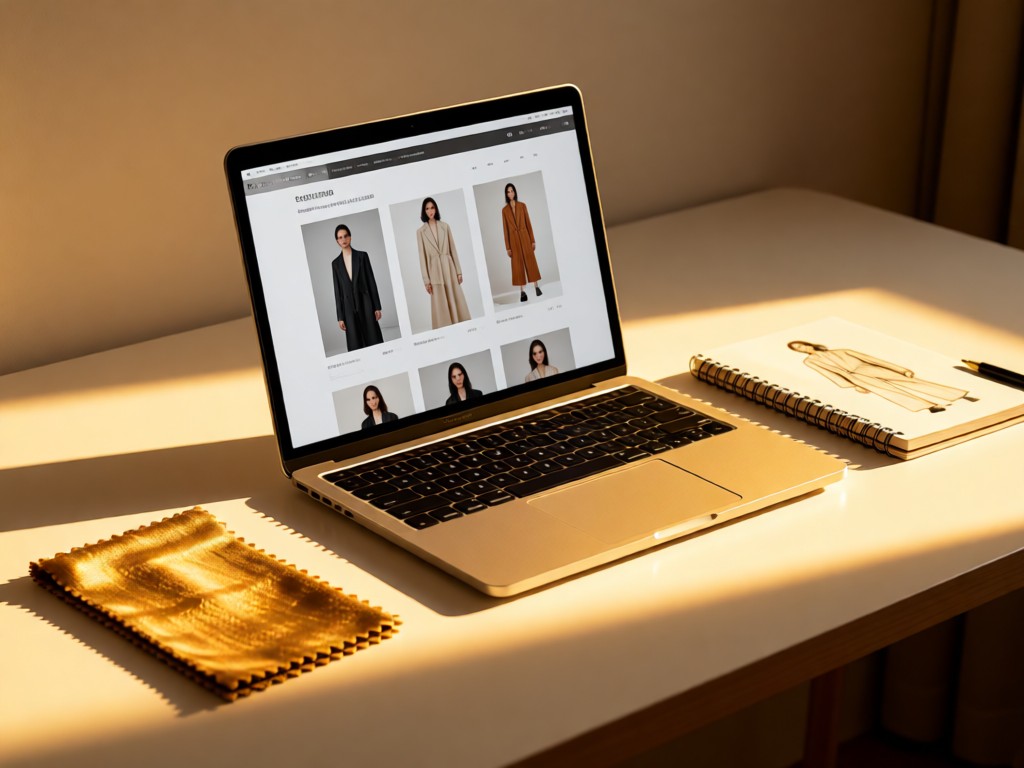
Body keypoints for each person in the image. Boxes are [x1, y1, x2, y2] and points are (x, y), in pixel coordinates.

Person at [787, 340, 977, 413]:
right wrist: (853, 386)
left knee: (911, 382)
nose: (802, 349)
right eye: (798, 349)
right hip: (856, 377)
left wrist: (901, 369)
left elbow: (871, 358)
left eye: (801, 345)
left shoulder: (843, 349)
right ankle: (930, 406)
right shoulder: (810, 362)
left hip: (867, 368)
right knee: (889, 392)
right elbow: (830, 375)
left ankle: (960, 395)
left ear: (808, 344)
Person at [417, 197, 471, 328]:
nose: (430, 211)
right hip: (434, 270)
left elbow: (453, 249)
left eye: (432, 207)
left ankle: (460, 326)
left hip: (449, 268)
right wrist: (426, 281)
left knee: (455, 298)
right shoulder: (420, 232)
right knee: (440, 303)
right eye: (427, 208)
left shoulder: (445, 227)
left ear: (436, 209)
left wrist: (458, 271)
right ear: (424, 211)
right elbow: (422, 257)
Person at [331, 224, 384, 351]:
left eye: (345, 236)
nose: (343, 240)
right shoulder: (335, 264)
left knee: (373, 339)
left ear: (350, 237)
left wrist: (377, 306)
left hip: (365, 303)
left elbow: (371, 281)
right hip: (348, 308)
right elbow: (337, 292)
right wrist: (340, 316)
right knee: (355, 344)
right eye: (340, 237)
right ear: (337, 241)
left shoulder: (362, 256)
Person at [501, 183, 541, 302]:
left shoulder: (522, 206)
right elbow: (505, 230)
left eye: (512, 191)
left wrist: (532, 240)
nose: (510, 193)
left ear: (515, 192)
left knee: (530, 261)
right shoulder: (504, 210)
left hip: (525, 237)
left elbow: (528, 223)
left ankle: (536, 287)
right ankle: (522, 292)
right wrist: (508, 247)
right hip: (513, 240)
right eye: (508, 192)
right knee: (517, 265)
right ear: (506, 194)